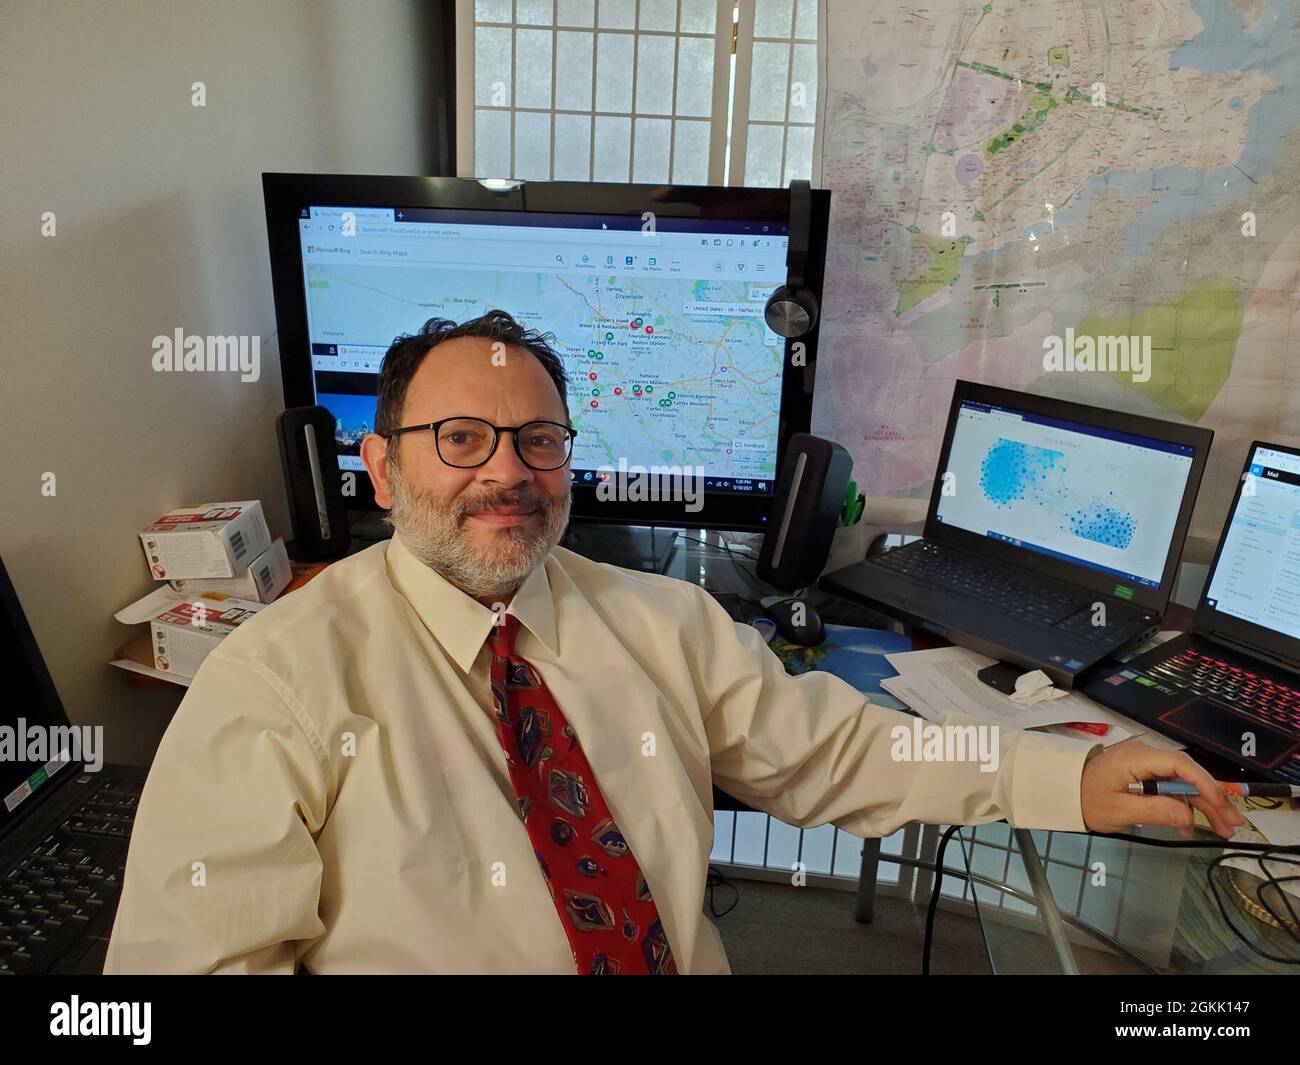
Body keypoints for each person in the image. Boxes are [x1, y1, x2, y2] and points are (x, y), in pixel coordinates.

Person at [104, 310, 1243, 974]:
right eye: (459, 439)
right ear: (383, 467)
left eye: (537, 439)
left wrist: (1068, 776)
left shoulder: (663, 623)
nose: (506, 471)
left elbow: (851, 754)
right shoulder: (275, 684)